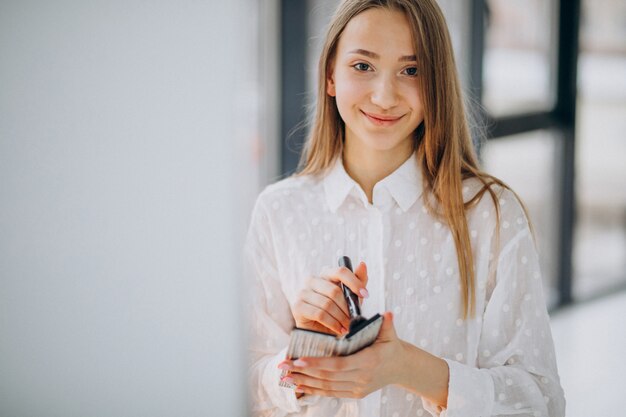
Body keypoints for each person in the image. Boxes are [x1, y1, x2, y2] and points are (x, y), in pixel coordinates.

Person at [245, 0, 566, 416]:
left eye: (411, 71)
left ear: (436, 81)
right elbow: (242, 387)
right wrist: (304, 350)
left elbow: (542, 401)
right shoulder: (278, 212)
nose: (384, 95)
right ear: (330, 76)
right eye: (362, 66)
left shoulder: (491, 214)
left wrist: (410, 367)